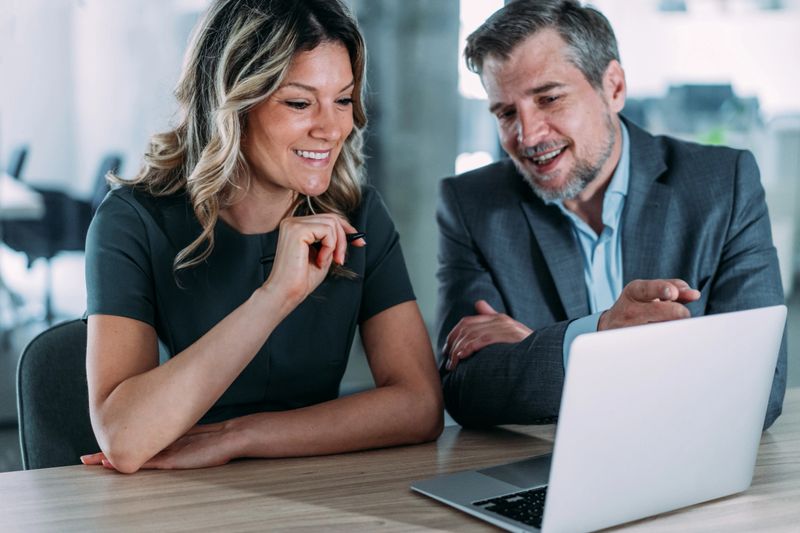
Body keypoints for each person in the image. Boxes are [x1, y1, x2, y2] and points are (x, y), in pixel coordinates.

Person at [81, 0, 442, 474]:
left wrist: (241, 435)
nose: (332, 128)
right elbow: (126, 438)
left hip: (311, 485)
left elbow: (419, 405)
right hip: (171, 495)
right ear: (232, 102)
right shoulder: (132, 221)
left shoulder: (359, 216)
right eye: (299, 102)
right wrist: (274, 296)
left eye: (343, 99)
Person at [437, 0, 785, 430]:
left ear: (614, 88)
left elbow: (758, 387)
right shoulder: (472, 203)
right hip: (542, 469)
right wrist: (603, 338)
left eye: (549, 99)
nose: (527, 135)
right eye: (506, 113)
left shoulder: (723, 185)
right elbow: (466, 386)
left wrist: (569, 346)